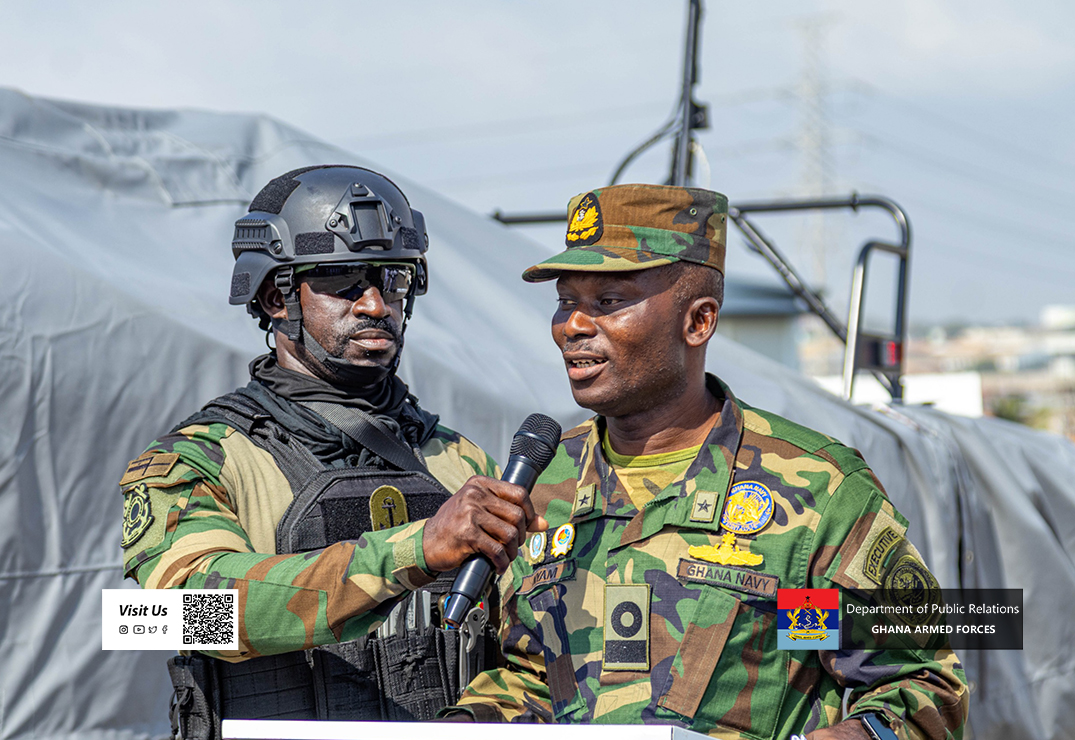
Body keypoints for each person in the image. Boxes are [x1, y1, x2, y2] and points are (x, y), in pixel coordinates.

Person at [446, 184, 968, 739]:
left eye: (608, 302)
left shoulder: (813, 493)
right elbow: (532, 676)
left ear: (698, 322)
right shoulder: (545, 485)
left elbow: (919, 685)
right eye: (565, 301)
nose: (573, 325)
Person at [119, 165, 542, 739]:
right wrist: (412, 549)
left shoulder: (461, 463)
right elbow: (161, 620)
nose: (375, 304)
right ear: (276, 297)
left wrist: (472, 720)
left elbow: (536, 647)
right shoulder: (197, 460)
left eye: (393, 279)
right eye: (343, 280)